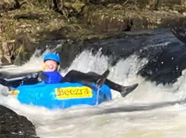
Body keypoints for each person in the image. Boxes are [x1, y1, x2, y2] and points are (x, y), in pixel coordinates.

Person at [0, 53, 138, 97]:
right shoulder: (39, 75)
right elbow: (21, 80)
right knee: (72, 73)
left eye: (54, 63)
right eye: (49, 62)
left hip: (65, 85)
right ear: (44, 64)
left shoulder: (59, 74)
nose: (51, 65)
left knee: (89, 73)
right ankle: (95, 82)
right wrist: (9, 85)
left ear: (58, 66)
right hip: (52, 90)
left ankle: (121, 89)